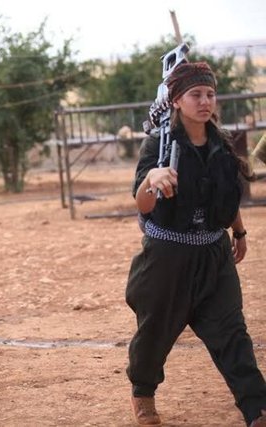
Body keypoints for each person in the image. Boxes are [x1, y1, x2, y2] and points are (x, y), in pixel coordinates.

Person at [126, 62, 266, 426]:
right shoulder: (158, 146)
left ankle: (257, 408)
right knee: (155, 332)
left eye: (210, 94)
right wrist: (152, 179)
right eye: (195, 95)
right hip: (167, 259)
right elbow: (142, 204)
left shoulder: (222, 143)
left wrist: (239, 232)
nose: (205, 101)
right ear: (176, 100)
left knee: (232, 332)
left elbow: (227, 195)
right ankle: (143, 392)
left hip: (215, 255)